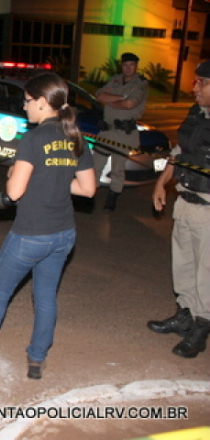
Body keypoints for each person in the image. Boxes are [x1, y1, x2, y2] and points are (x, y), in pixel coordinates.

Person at [0, 73, 96, 379]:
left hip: (31, 234)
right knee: (46, 297)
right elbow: (88, 189)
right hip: (63, 234)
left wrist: (15, 175)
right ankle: (37, 358)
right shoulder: (75, 136)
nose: (24, 107)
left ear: (42, 102)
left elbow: (13, 193)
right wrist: (54, 181)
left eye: (27, 101)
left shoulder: (34, 138)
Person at [147, 60, 210, 359]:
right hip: (185, 202)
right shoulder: (196, 113)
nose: (194, 87)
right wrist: (162, 182)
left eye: (201, 82)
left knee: (206, 274)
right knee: (183, 265)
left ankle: (201, 327)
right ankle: (184, 314)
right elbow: (179, 151)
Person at [93, 52, 149, 211]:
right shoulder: (116, 79)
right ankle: (90, 194)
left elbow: (130, 104)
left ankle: (113, 196)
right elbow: (99, 94)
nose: (128, 68)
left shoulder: (141, 84)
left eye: (131, 65)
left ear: (136, 66)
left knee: (118, 168)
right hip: (106, 131)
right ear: (121, 66)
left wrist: (111, 101)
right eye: (125, 65)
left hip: (124, 133)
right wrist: (121, 98)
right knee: (96, 165)